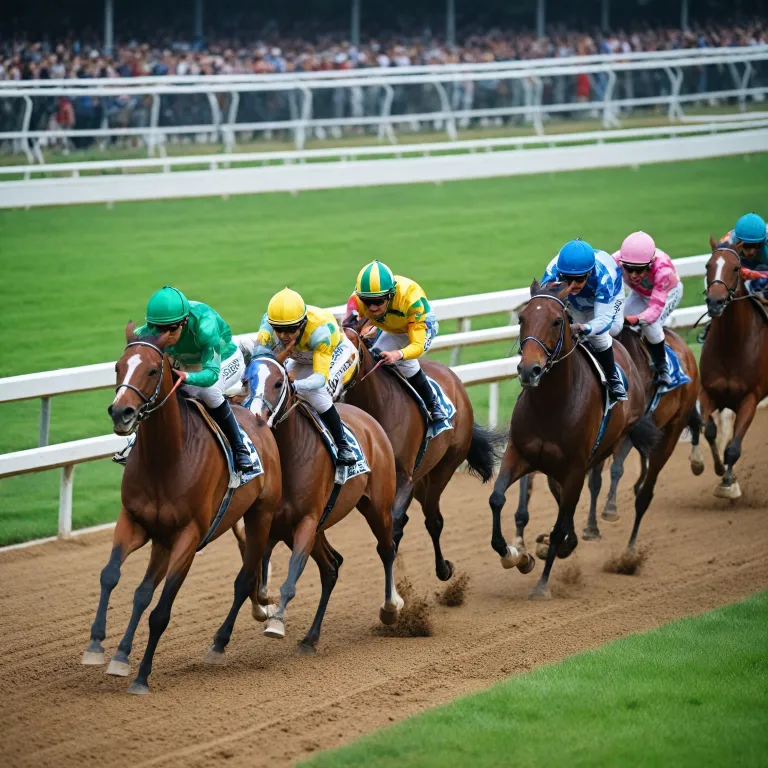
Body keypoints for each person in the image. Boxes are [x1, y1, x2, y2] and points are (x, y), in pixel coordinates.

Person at [115, 286, 254, 472]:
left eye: (172, 329)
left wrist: (187, 377)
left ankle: (239, 448)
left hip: (223, 360)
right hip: (186, 362)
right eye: (159, 329)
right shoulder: (145, 333)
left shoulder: (205, 326)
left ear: (185, 321)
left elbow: (212, 374)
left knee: (209, 391)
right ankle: (136, 440)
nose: (165, 335)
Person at [255, 287, 358, 465]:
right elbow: (259, 358)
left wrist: (295, 386)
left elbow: (320, 379)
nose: (283, 336)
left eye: (290, 329)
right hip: (301, 355)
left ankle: (344, 446)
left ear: (302, 324)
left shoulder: (320, 332)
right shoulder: (268, 323)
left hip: (334, 352)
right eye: (278, 329)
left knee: (318, 395)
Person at [349, 260, 448, 423]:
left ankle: (433, 405)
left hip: (416, 328)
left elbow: (417, 346)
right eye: (367, 301)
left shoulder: (411, 300)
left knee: (404, 361)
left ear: (391, 295)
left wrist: (398, 354)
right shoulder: (356, 300)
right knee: (369, 356)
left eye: (378, 302)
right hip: (389, 323)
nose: (372, 307)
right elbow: (349, 329)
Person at [542, 239, 627, 403]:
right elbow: (544, 304)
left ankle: (613, 378)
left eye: (579, 279)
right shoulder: (553, 271)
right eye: (568, 279)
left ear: (589, 273)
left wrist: (585, 327)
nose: (573, 285)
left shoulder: (604, 277)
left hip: (606, 298)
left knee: (606, 332)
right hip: (575, 302)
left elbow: (603, 319)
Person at [613, 231, 683, 387]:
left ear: (650, 264)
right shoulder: (615, 260)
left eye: (639, 270)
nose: (633, 275)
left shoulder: (663, 269)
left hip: (668, 293)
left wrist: (635, 319)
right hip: (640, 293)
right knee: (618, 324)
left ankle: (662, 366)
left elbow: (654, 311)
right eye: (628, 269)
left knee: (650, 325)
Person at [722, 213, 768, 296]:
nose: (752, 252)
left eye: (757, 245)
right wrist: (743, 271)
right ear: (738, 241)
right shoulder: (727, 242)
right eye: (747, 246)